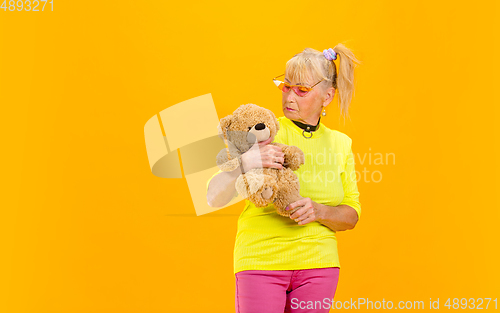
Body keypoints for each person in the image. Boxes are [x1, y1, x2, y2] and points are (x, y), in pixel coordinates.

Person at [206, 44, 362, 313]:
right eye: (285, 86)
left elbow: (351, 215)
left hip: (319, 266)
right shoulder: (263, 131)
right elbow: (212, 197)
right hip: (261, 263)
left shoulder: (341, 144)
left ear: (327, 96)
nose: (289, 97)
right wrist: (245, 163)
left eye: (301, 90)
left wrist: (319, 211)